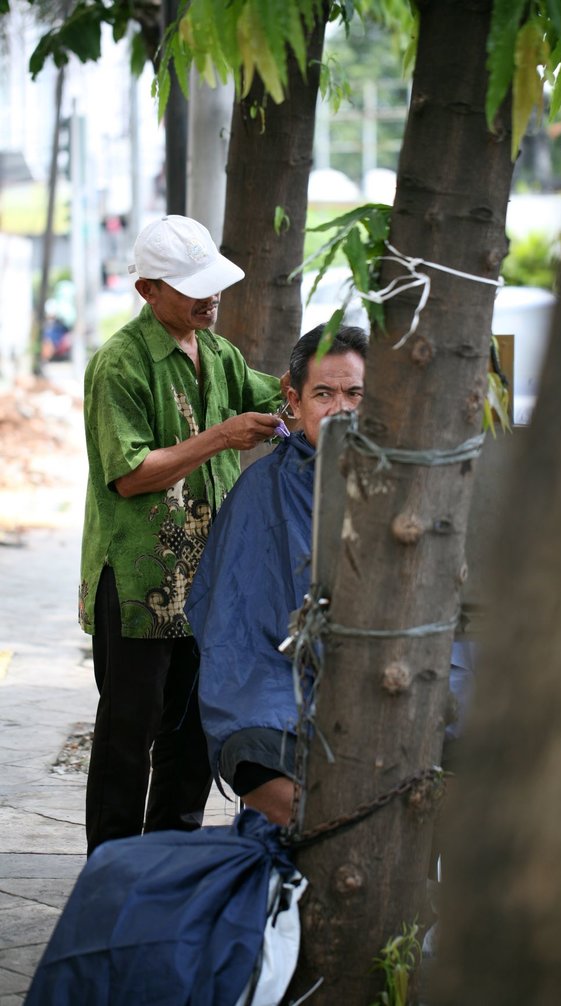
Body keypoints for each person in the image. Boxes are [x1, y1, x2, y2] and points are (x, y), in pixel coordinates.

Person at [80, 214, 288, 856]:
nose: (211, 297)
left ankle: (169, 863)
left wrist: (319, 390)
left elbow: (278, 398)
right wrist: (221, 437)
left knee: (196, 733)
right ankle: (111, 870)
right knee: (128, 737)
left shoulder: (220, 354)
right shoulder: (120, 364)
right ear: (148, 291)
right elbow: (130, 476)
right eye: (192, 286)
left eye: (213, 283)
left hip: (209, 582)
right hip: (142, 582)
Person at [185, 324, 368, 827]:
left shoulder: (410, 484)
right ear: (294, 397)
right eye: (324, 394)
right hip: (276, 674)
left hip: (387, 675)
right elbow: (234, 626)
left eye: (355, 393)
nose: (340, 409)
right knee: (255, 749)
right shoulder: (262, 489)